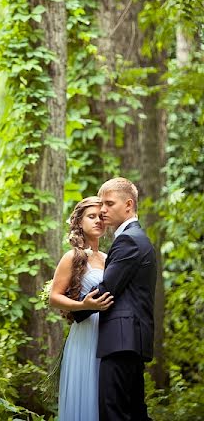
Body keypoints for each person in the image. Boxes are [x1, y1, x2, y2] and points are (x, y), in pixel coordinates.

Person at [73, 177, 156, 421]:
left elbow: (108, 287)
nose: (103, 210)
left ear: (128, 205)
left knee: (114, 413)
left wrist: (77, 310)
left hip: (121, 340)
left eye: (109, 204)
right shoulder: (137, 237)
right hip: (130, 339)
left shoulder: (129, 239)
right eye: (101, 205)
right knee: (134, 413)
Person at [49, 196, 114, 421]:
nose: (98, 221)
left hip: (109, 333)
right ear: (79, 222)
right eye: (91, 216)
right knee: (86, 392)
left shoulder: (109, 258)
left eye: (101, 217)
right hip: (85, 333)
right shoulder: (72, 257)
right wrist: (83, 305)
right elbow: (54, 298)